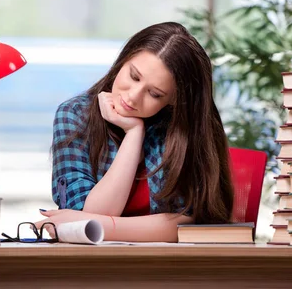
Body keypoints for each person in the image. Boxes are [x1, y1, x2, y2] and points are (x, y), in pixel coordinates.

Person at [35, 22, 234, 242]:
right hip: (92, 265)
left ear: (174, 100)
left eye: (155, 94)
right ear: (124, 60)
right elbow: (85, 216)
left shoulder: (184, 130)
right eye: (134, 76)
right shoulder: (75, 115)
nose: (132, 97)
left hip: (172, 266)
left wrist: (134, 131)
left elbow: (191, 222)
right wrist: (133, 136)